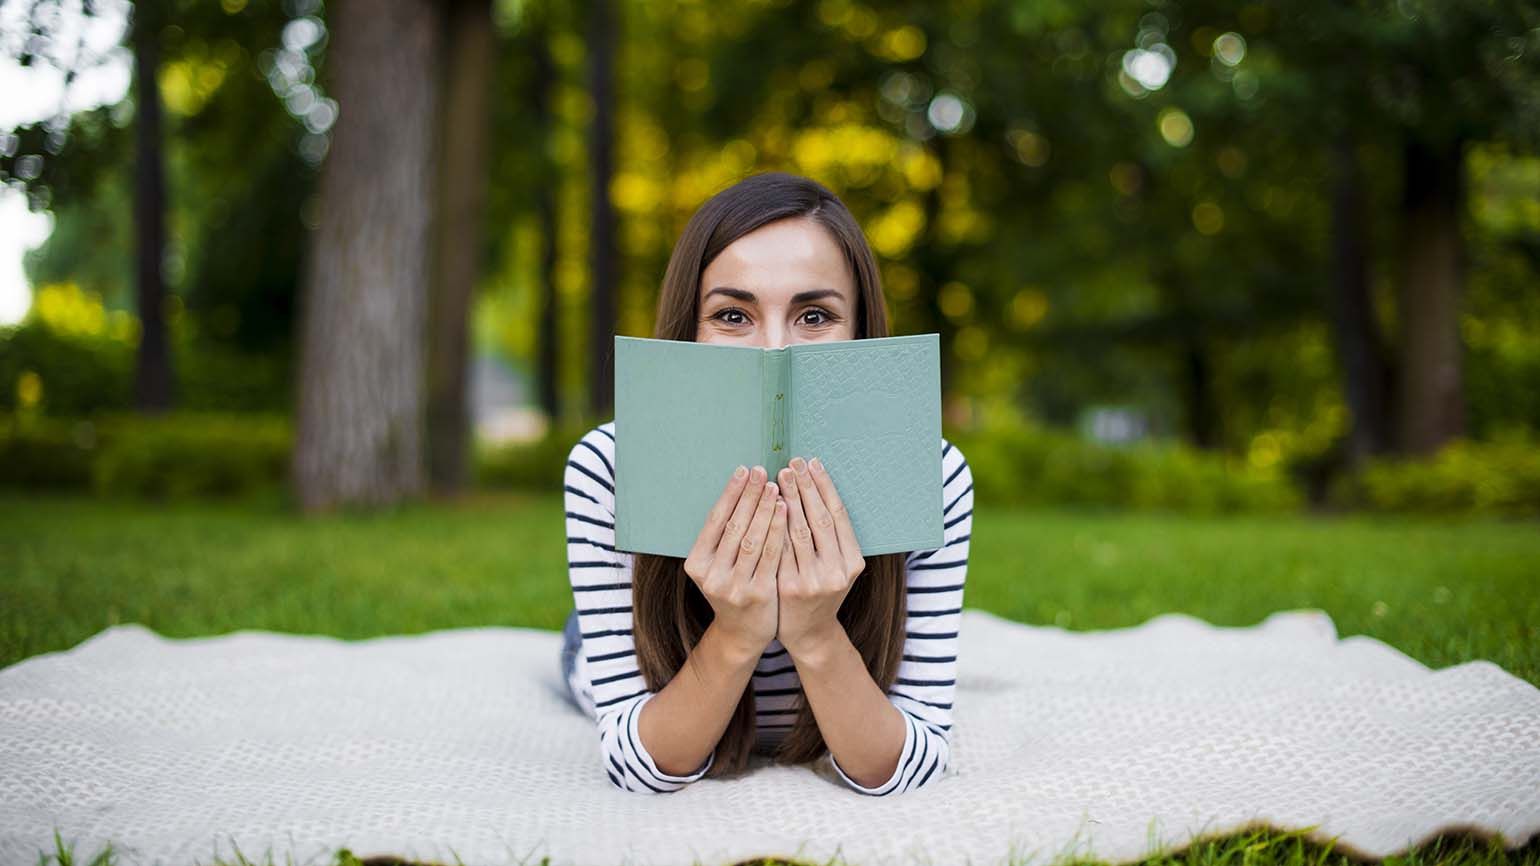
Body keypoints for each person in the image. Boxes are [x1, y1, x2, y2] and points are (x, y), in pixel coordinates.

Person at [557, 171, 973, 796]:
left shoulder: (935, 474)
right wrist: (737, 630)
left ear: (860, 331)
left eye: (814, 315)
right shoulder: (607, 469)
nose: (774, 352)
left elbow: (912, 764)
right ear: (688, 330)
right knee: (582, 660)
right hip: (639, 648)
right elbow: (635, 766)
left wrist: (813, 630)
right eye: (732, 314)